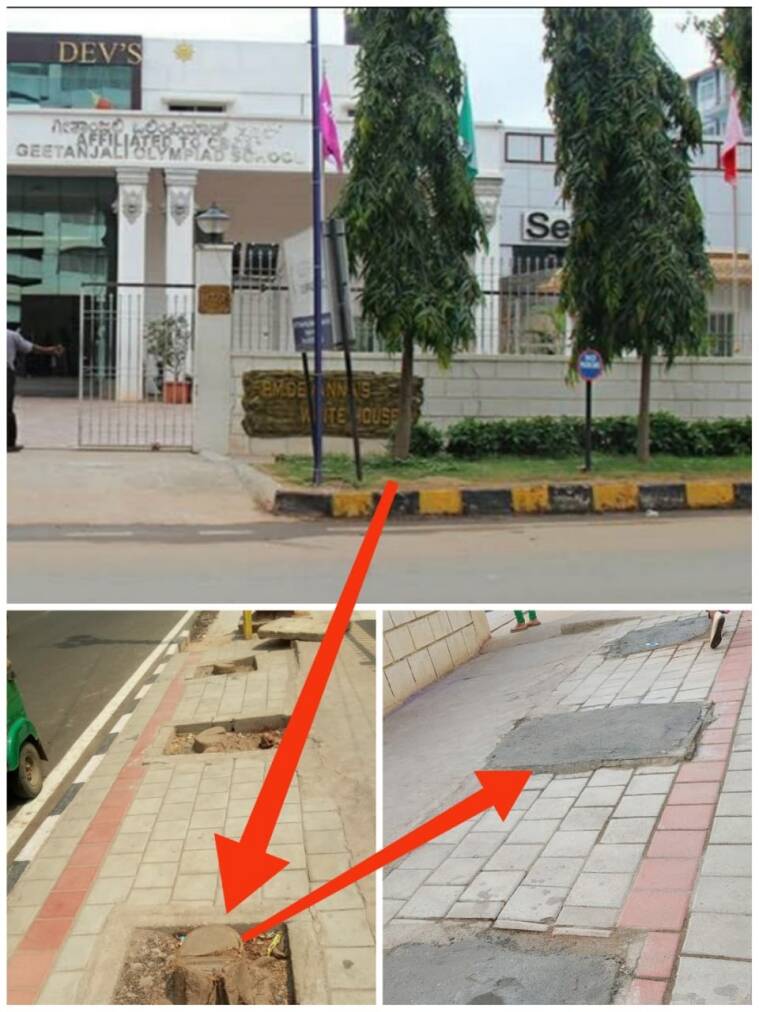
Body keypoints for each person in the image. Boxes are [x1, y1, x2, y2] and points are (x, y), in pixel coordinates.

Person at [7, 328, 63, 452]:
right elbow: (31, 348)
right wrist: (51, 350)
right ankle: (8, 444)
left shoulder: (11, 335)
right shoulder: (11, 335)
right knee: (7, 409)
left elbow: (30, 347)